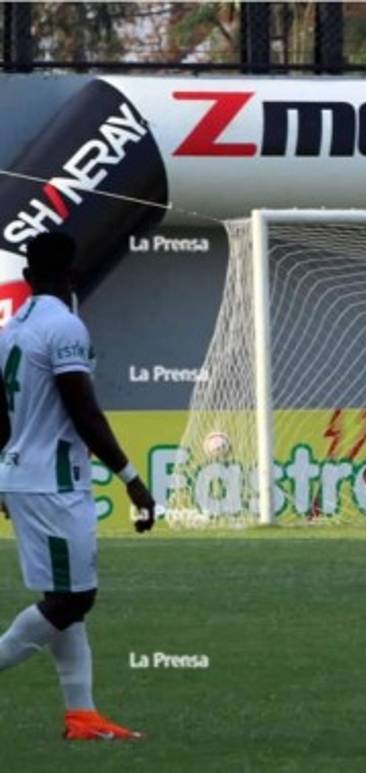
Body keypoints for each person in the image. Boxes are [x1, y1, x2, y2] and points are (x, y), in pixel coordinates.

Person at [0, 232, 157, 742]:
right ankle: (80, 714)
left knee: (61, 596)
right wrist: (132, 479)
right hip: (55, 481)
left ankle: (82, 715)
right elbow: (83, 410)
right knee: (74, 600)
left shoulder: (9, 330)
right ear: (73, 274)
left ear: (26, 277)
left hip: (26, 475)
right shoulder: (65, 327)